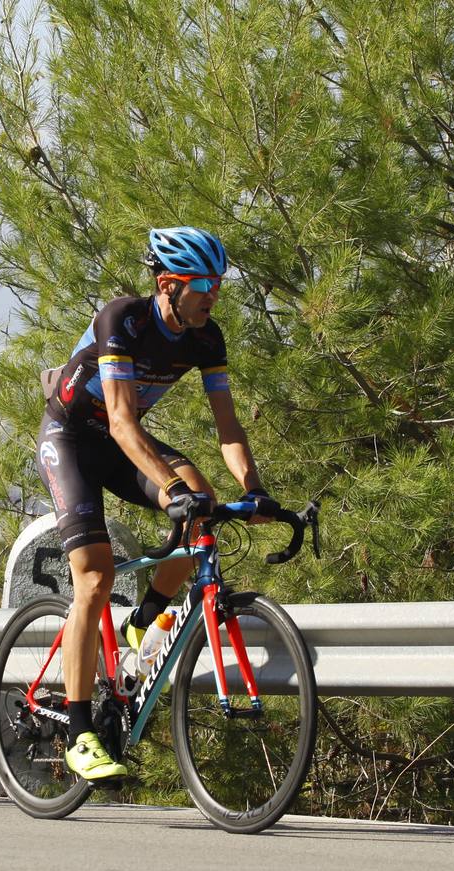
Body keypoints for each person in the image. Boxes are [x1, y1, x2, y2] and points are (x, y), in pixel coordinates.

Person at [36, 227, 278, 780]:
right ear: (168, 284)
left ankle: (145, 620)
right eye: (203, 286)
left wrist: (254, 488)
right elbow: (121, 421)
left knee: (207, 506)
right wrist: (170, 489)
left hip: (121, 445)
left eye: (218, 284)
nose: (213, 295)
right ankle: (79, 733)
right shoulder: (122, 319)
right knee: (94, 580)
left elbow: (228, 427)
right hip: (72, 440)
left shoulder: (206, 338)